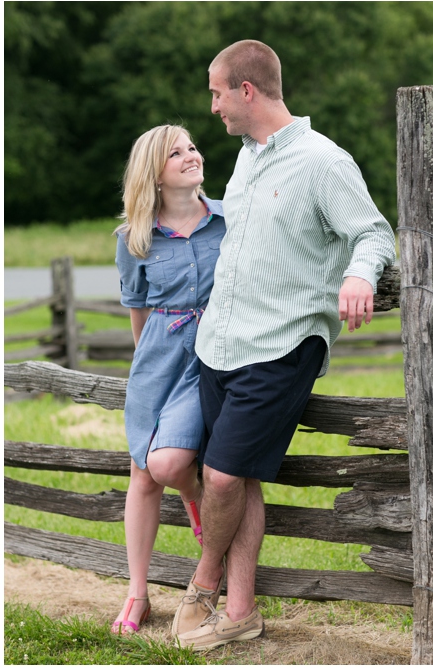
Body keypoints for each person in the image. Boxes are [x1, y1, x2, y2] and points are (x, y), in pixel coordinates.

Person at [172, 40, 396, 650]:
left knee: (219, 479)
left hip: (282, 345)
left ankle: (203, 583)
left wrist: (358, 275)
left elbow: (373, 233)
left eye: (218, 92)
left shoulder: (325, 161)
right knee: (238, 480)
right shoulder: (245, 159)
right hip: (220, 342)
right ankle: (241, 614)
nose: (212, 106)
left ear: (247, 90)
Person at [112, 125, 226, 634]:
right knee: (142, 474)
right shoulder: (134, 238)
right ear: (153, 173)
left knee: (168, 462)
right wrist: (147, 372)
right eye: (175, 153)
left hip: (213, 355)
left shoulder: (229, 219)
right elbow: (139, 315)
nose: (190, 156)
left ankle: (199, 503)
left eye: (193, 148)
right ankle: (137, 595)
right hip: (158, 360)